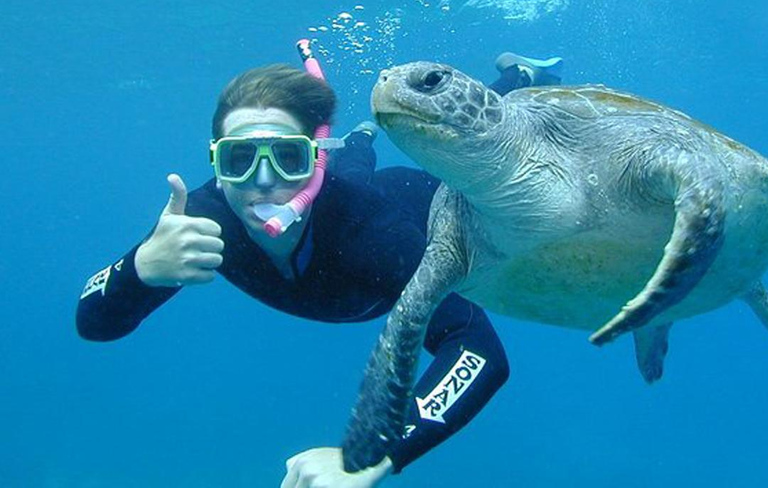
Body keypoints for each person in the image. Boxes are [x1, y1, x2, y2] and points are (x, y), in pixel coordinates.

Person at [76, 49, 562, 487]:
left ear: (313, 163)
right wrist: (139, 269)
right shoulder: (200, 223)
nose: (263, 183)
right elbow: (93, 322)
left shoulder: (376, 235)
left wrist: (379, 451)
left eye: (288, 158)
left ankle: (519, 76)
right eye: (240, 158)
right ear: (215, 164)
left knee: (461, 162)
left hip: (413, 199)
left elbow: (478, 350)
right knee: (354, 168)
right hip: (342, 190)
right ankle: (358, 142)